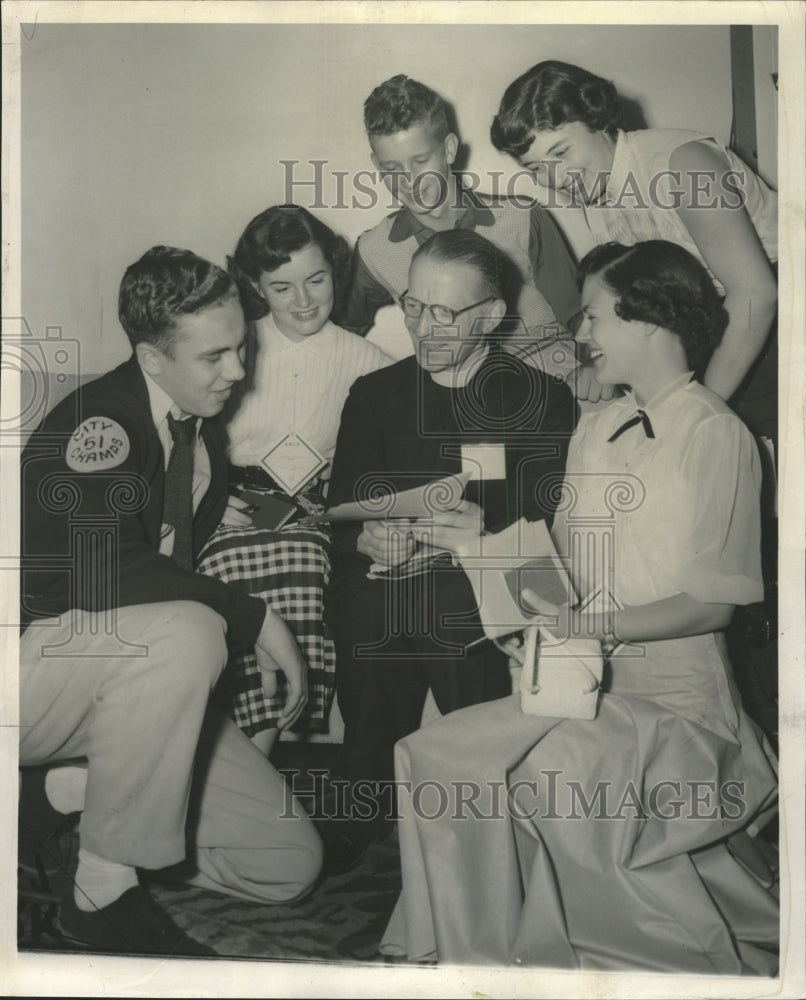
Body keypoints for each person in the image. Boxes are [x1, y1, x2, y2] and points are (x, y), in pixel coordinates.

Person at [380, 240, 779, 974]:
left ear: (650, 321)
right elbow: (560, 573)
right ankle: (466, 953)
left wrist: (583, 626)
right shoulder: (597, 425)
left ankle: (524, 957)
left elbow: (710, 608)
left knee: (549, 770)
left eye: (592, 316)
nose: (580, 335)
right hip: (581, 689)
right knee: (434, 754)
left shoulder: (717, 435)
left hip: (679, 712)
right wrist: (483, 545)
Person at [18, 246, 323, 956]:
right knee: (189, 632)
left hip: (121, 685)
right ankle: (101, 889)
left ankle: (59, 796)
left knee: (286, 864)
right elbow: (101, 566)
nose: (239, 371)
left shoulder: (193, 426)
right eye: (215, 356)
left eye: (241, 348)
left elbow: (163, 535)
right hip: (32, 672)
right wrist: (254, 616)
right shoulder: (100, 422)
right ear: (153, 361)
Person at [324, 228, 578, 872]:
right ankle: (364, 796)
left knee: (437, 607)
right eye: (413, 306)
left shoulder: (541, 401)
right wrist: (367, 535)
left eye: (444, 312)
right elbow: (345, 515)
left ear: (491, 316)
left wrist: (479, 539)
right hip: (387, 579)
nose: (423, 327)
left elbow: (544, 538)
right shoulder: (375, 396)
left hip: (496, 577)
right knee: (372, 608)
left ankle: (487, 803)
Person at [490, 60, 778, 438]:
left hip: (773, 320)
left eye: (561, 153)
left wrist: (692, 410)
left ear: (598, 121)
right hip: (712, 323)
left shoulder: (683, 165)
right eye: (537, 169)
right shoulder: (598, 191)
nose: (556, 178)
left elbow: (757, 293)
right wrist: (601, 362)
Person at [196, 205, 390, 756]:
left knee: (305, 560)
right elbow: (182, 435)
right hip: (229, 505)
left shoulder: (369, 361)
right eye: (282, 288)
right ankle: (238, 744)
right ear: (256, 286)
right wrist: (209, 497)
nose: (303, 301)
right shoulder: (235, 345)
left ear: (336, 270)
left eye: (316, 280)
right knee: (225, 567)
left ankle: (267, 740)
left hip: (311, 514)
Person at [340, 74, 585, 384]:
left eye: (421, 161)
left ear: (450, 149)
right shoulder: (375, 250)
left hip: (552, 382)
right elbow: (339, 335)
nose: (409, 180)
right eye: (391, 169)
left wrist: (593, 368)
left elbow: (579, 316)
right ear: (376, 165)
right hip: (459, 400)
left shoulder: (522, 217)